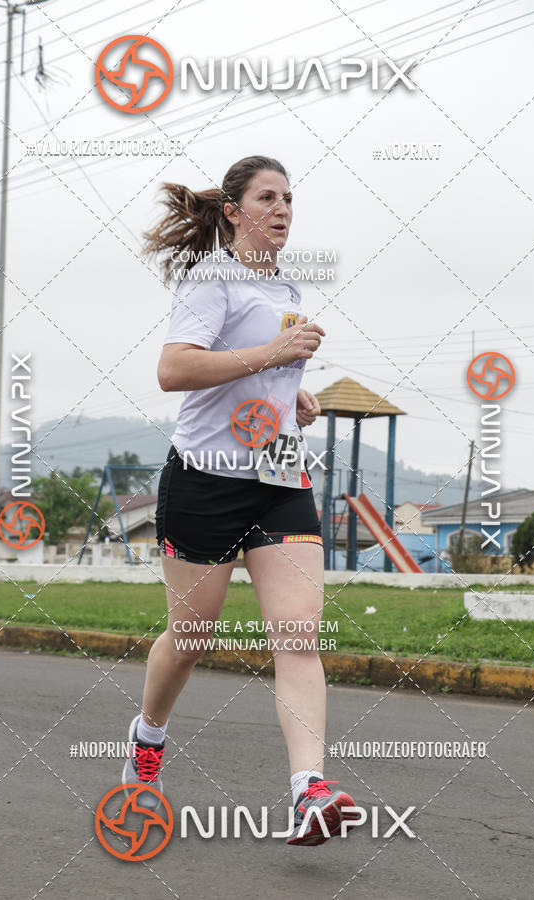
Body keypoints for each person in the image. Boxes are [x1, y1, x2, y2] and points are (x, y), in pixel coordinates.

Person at [122, 155, 357, 845]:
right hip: (206, 479)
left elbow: (262, 371)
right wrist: (276, 356)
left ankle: (308, 790)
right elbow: (176, 369)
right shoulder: (210, 277)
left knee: (298, 632)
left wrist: (293, 394)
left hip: (279, 473)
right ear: (233, 211)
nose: (283, 209)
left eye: (289, 198)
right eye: (267, 197)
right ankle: (148, 737)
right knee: (193, 637)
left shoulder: (284, 283)